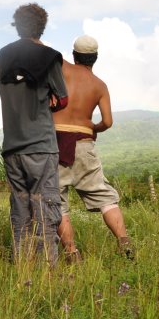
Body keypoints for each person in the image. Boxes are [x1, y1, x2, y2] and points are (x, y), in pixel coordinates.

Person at [0, 3, 68, 265]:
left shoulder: (3, 55)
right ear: (42, 26)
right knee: (45, 209)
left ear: (17, 25)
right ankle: (47, 272)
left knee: (20, 209)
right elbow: (62, 99)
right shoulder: (50, 56)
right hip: (41, 144)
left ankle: (22, 267)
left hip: (12, 146)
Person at [53, 35, 132, 261]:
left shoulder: (62, 69)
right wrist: (93, 127)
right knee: (105, 197)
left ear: (74, 55)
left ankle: (71, 253)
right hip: (84, 143)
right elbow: (107, 122)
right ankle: (124, 241)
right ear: (95, 58)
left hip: (56, 141)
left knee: (58, 201)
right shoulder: (99, 85)